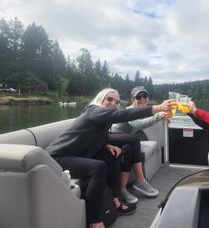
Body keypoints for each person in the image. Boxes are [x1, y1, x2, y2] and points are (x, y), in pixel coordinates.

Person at [45, 88, 174, 228]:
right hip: (58, 157)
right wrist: (157, 108)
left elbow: (94, 135)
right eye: (109, 99)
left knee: (114, 155)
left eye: (117, 101)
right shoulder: (93, 110)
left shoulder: (104, 118)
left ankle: (115, 199)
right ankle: (95, 221)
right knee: (98, 167)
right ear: (100, 99)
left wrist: (107, 145)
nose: (113, 103)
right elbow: (123, 115)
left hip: (78, 154)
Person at [110, 86, 167, 205]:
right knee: (134, 140)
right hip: (113, 138)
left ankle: (122, 189)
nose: (142, 99)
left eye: (145, 96)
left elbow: (148, 118)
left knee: (128, 149)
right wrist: (159, 116)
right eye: (138, 96)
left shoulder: (142, 110)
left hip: (125, 141)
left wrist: (165, 116)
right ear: (133, 99)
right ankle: (140, 180)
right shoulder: (130, 110)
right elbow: (138, 125)